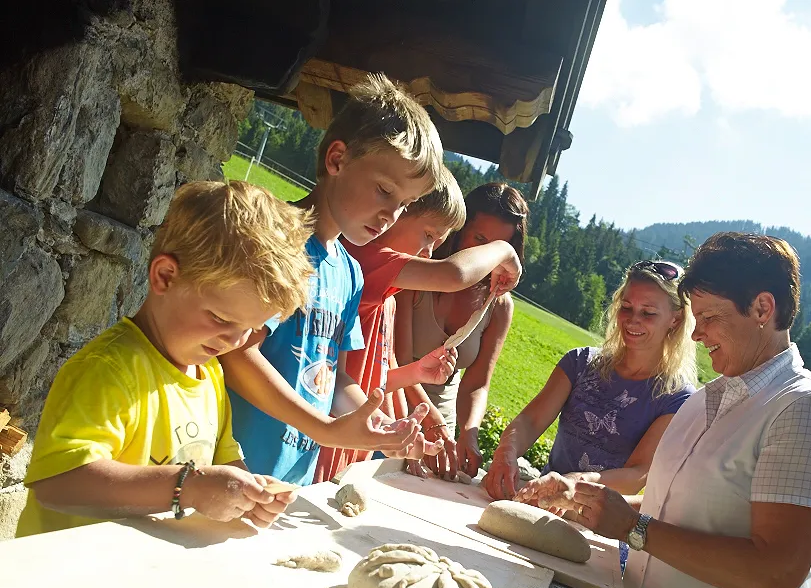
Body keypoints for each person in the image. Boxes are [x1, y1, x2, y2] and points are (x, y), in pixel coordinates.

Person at [552, 233, 811, 588]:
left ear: (762, 309)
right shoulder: (703, 401)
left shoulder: (807, 411)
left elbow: (777, 569)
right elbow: (672, 509)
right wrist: (585, 501)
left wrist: (634, 528)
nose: (696, 335)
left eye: (711, 317)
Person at [16, 181, 312, 537]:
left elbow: (221, 456)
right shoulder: (110, 369)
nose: (234, 341)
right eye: (221, 319)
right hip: (67, 579)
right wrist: (188, 486)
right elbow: (58, 484)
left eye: (250, 329)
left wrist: (247, 491)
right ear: (165, 276)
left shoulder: (209, 374)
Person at [222, 73, 446, 486]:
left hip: (291, 485)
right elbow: (236, 355)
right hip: (231, 473)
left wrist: (377, 423)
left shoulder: (350, 273)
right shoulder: (277, 241)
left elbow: (338, 378)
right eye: (384, 190)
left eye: (405, 204)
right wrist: (323, 428)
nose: (391, 215)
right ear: (337, 159)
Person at [485, 259, 698, 588]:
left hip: (603, 541)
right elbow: (531, 419)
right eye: (627, 307)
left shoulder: (678, 398)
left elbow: (638, 474)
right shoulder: (581, 362)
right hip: (543, 515)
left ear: (675, 319)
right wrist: (506, 452)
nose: (633, 320)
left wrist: (576, 483)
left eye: (648, 312)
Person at [315, 168, 523, 482]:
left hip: (363, 431)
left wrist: (400, 420)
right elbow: (453, 275)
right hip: (334, 432)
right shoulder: (369, 264)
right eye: (428, 236)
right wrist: (504, 252)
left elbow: (368, 376)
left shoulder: (382, 292)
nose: (429, 251)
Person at [395, 182, 528, 480]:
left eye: (498, 247)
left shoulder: (500, 306)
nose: (486, 255)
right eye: (480, 239)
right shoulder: (422, 268)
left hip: (441, 425)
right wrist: (429, 420)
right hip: (395, 405)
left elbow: (477, 384)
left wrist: (468, 432)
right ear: (459, 229)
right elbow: (400, 358)